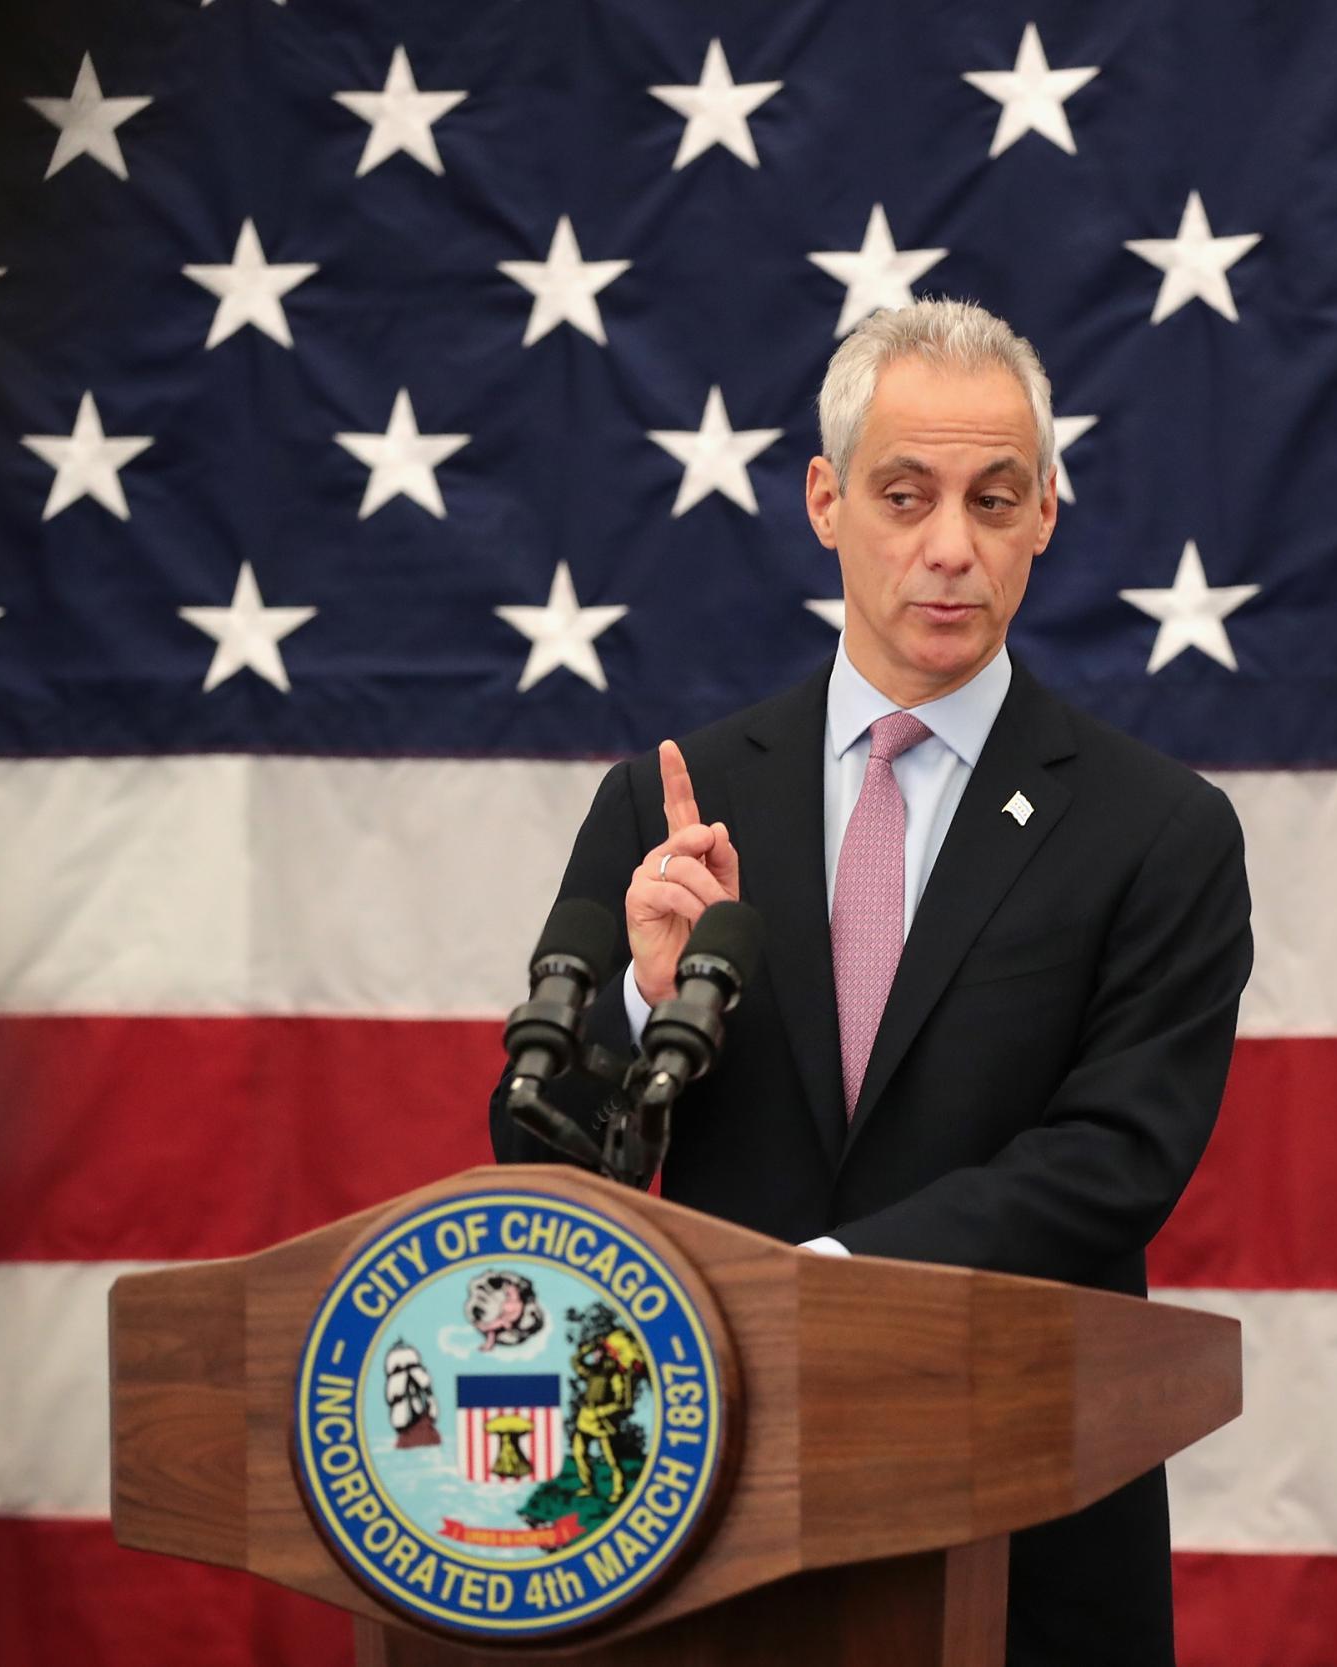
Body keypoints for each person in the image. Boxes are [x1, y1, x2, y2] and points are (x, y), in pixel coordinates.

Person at [488, 298, 1254, 1665]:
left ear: (1045, 519)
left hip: (1028, 1532)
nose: (949, 547)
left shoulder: (1159, 830)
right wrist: (635, 1009)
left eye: (992, 498)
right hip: (695, 1522)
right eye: (906, 495)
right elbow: (545, 1158)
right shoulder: (675, 802)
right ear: (828, 504)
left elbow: (1116, 1160)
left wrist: (826, 1289)